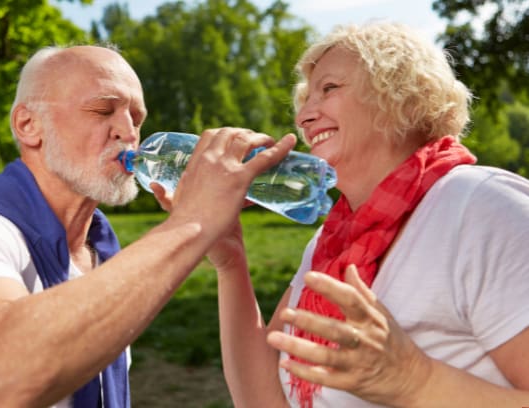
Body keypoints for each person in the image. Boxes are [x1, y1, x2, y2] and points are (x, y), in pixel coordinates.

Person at [0, 44, 296, 407]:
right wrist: (192, 223)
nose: (128, 132)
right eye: (102, 109)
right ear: (28, 125)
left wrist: (226, 255)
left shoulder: (101, 250)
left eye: (137, 116)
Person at [204, 21, 529, 407]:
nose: (304, 116)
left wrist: (418, 382)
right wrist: (229, 259)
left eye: (328, 89)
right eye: (305, 99)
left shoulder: (481, 206)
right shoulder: (331, 243)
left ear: (402, 96)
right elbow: (264, 401)